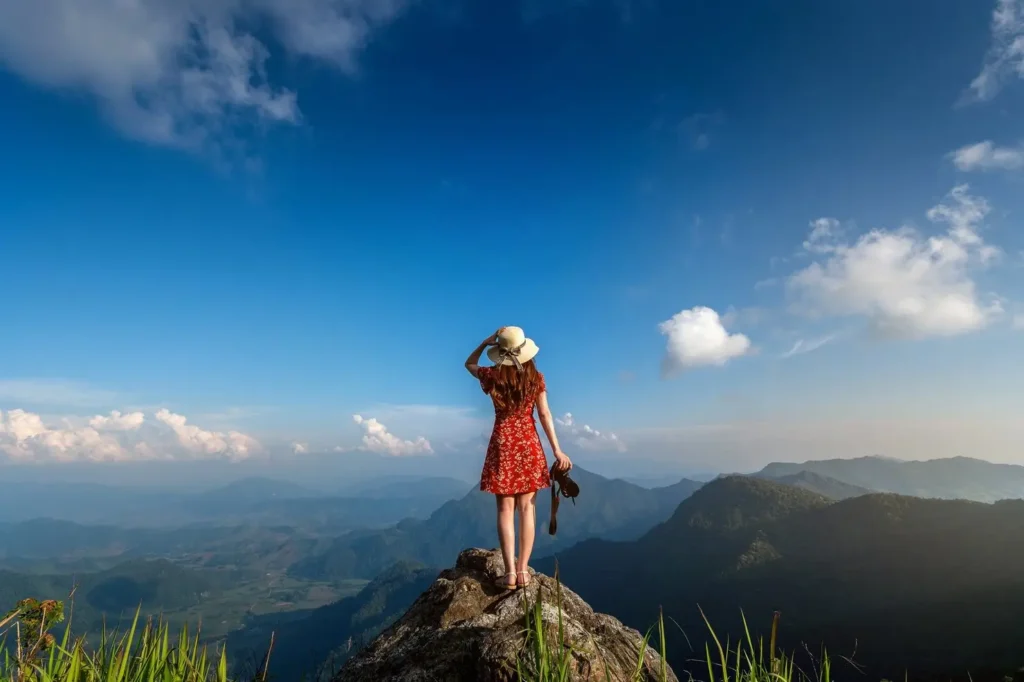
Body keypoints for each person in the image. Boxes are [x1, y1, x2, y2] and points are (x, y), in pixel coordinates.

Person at [464, 326, 573, 590]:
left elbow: (469, 363)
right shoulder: (536, 377)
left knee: (505, 509)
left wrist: (484, 342)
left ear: (500, 351)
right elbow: (545, 415)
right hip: (528, 442)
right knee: (527, 509)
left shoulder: (491, 375)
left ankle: (510, 574)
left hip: (503, 441)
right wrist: (557, 450)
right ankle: (524, 572)